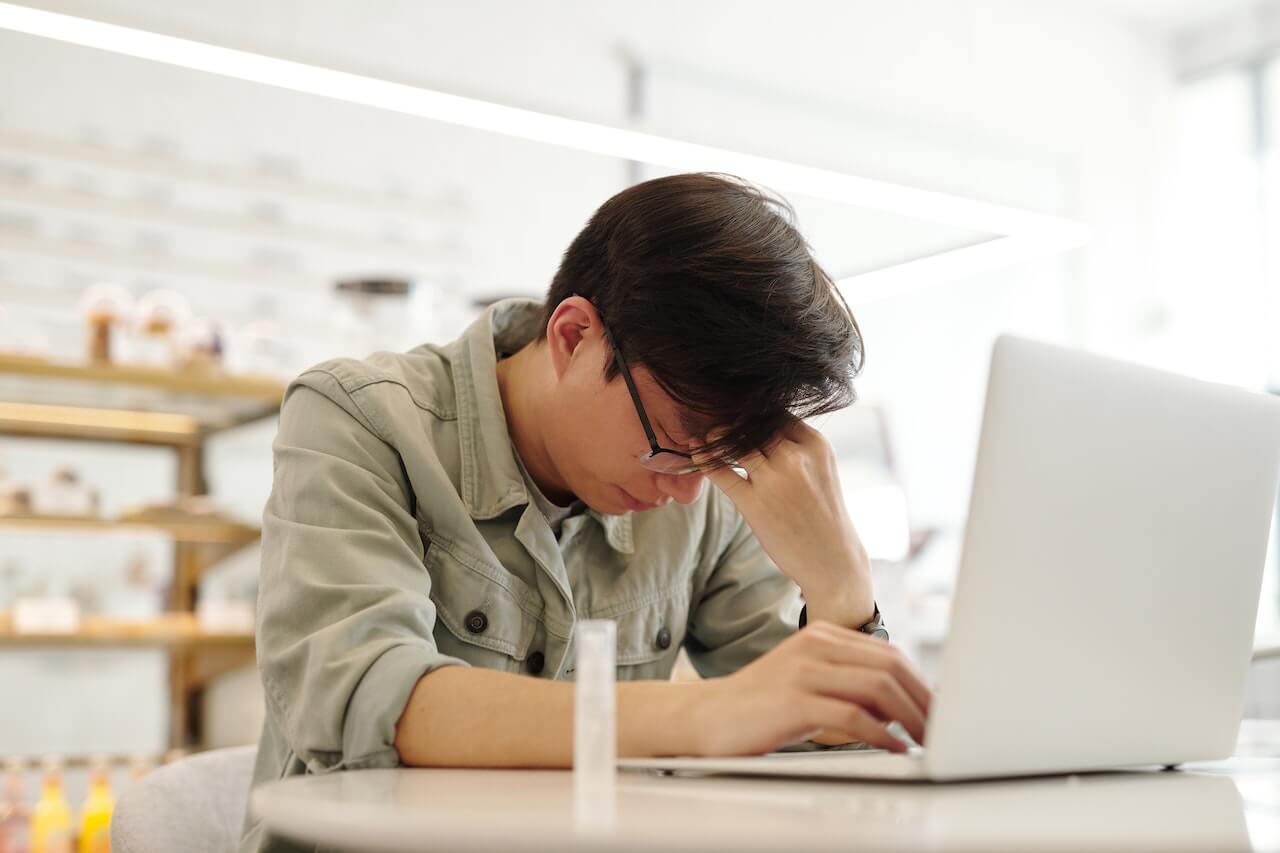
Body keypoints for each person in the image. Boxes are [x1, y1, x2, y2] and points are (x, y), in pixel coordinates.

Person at [239, 172, 932, 853]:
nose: (687, 489)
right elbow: (368, 699)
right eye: (673, 439)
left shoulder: (691, 486)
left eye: (717, 456)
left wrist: (842, 588)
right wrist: (710, 713)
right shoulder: (359, 418)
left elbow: (824, 730)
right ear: (573, 336)